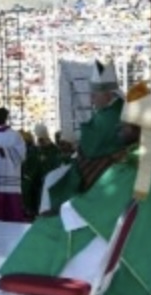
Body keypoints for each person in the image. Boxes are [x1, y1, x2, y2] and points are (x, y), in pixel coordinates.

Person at [0, 83, 151, 295]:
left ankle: (28, 288)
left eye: (123, 127)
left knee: (44, 228)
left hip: (106, 226)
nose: (117, 132)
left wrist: (63, 210)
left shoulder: (136, 163)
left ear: (138, 129)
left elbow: (104, 203)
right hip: (124, 222)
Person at [41, 60, 129, 212]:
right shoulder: (118, 109)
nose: (91, 100)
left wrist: (74, 146)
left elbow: (90, 149)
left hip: (101, 169)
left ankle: (51, 221)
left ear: (107, 94)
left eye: (94, 95)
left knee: (51, 180)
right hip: (110, 165)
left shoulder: (107, 116)